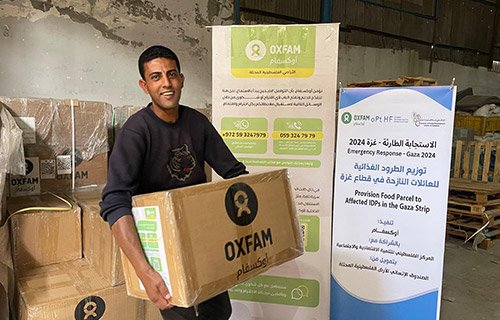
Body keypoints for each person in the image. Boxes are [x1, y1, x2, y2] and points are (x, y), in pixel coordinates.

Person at [100, 45, 247, 320]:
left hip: (202, 237)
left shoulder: (197, 123)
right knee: (181, 316)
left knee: (220, 311)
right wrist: (145, 272)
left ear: (181, 78)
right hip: (162, 247)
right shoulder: (135, 131)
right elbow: (115, 203)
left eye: (171, 74)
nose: (166, 83)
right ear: (144, 86)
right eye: (156, 77)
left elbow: (235, 173)